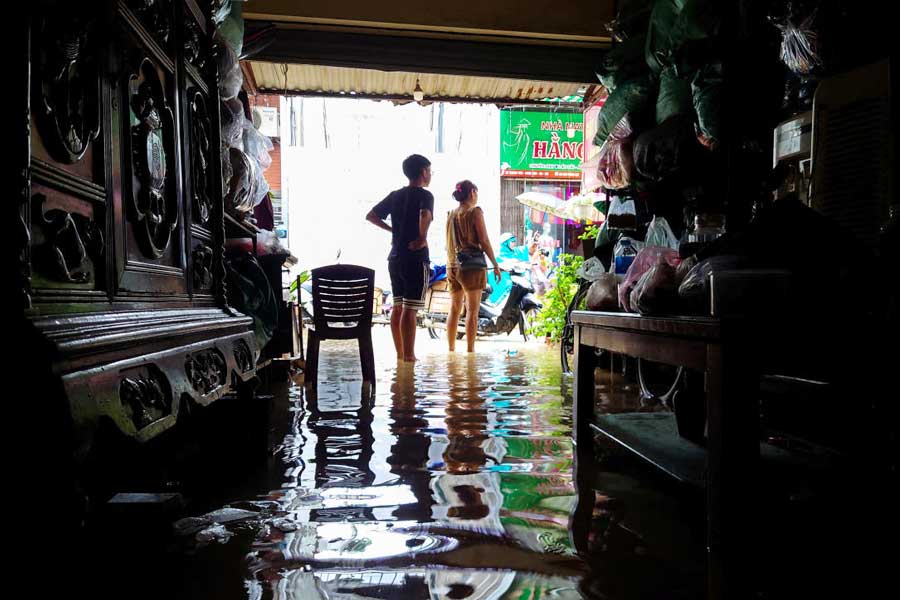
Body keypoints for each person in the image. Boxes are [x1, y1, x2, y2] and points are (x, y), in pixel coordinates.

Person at [366, 154, 434, 362]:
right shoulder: (426, 195)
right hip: (415, 257)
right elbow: (424, 215)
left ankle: (400, 355)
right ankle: (409, 356)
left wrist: (393, 230)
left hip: (394, 257)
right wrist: (422, 238)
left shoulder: (395, 195)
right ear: (423, 172)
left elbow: (371, 215)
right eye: (429, 171)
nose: (430, 175)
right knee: (410, 309)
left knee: (398, 306)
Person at [445, 180, 500, 353]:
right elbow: (483, 240)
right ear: (472, 193)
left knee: (454, 309)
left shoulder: (451, 214)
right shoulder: (475, 212)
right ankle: (470, 352)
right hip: (471, 267)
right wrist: (495, 264)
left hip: (453, 265)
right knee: (472, 311)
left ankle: (451, 350)